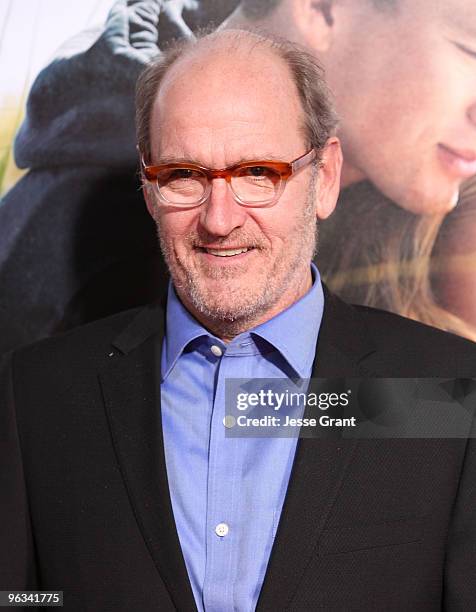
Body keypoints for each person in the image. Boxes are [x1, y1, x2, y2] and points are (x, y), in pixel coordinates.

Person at [1, 28, 476, 611]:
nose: (220, 219)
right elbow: (21, 598)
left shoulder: (447, 393)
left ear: (323, 178)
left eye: (259, 173)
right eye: (183, 176)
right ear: (149, 190)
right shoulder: (38, 393)